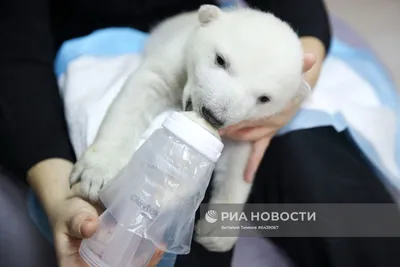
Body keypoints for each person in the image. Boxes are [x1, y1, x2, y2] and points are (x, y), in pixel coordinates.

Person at [1, 0, 399, 267]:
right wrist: (59, 200)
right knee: (166, 212)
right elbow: (14, 56)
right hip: (106, 47)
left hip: (250, 59)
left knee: (352, 208)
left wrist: (291, 85)